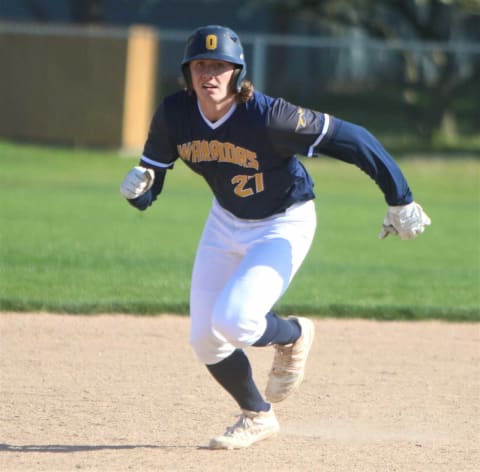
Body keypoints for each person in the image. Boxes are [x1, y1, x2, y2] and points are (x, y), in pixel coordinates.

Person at [120, 25, 431, 450]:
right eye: (200, 66)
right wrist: (140, 190)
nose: (209, 74)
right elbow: (151, 186)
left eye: (219, 66)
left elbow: (355, 139)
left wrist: (401, 199)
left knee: (236, 320)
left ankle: (294, 334)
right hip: (225, 221)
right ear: (187, 73)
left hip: (283, 222)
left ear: (237, 72)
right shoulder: (175, 115)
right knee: (204, 339)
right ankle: (257, 415)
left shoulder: (268, 116)